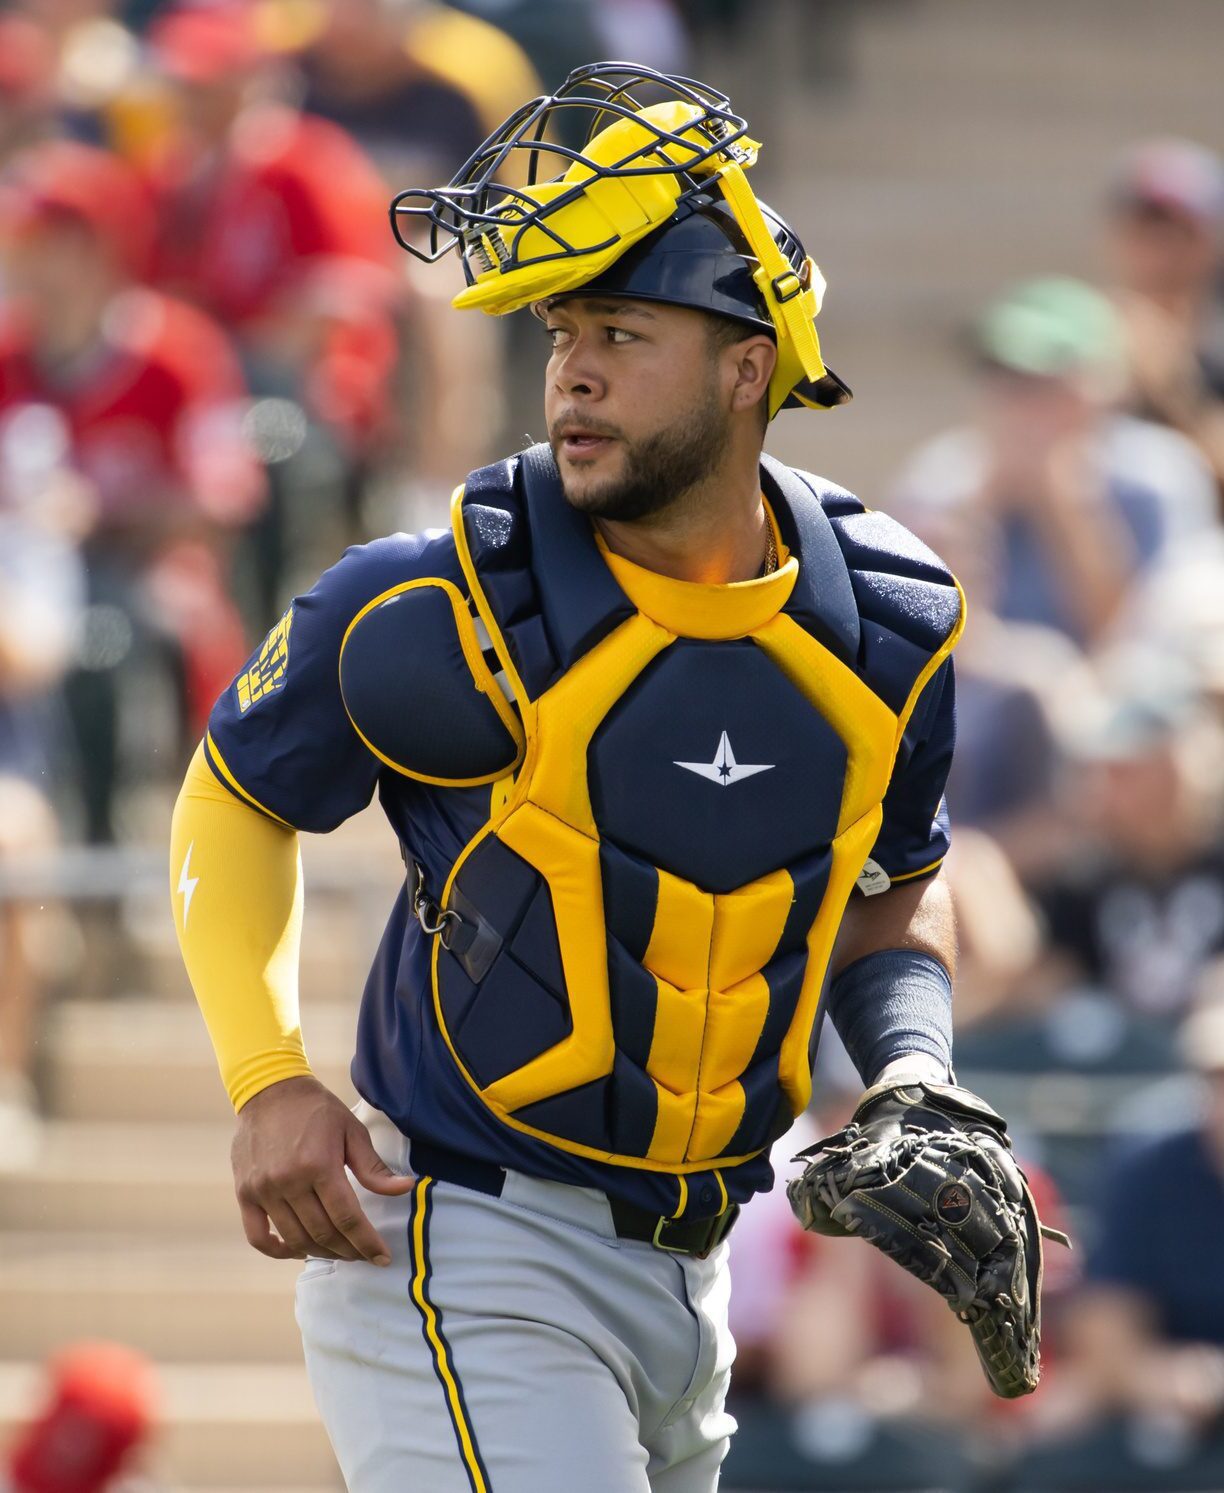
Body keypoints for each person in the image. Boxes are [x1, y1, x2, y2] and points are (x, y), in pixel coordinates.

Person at [171, 64, 988, 1490]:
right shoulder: (434, 605)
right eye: (562, 333)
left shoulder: (887, 624)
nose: (574, 371)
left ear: (750, 366)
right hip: (471, 1244)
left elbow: (894, 889)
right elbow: (236, 794)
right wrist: (262, 1075)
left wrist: (915, 1071)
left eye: (623, 329)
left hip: (701, 1278)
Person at [889, 276, 1217, 649]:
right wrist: (980, 509)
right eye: (1000, 374)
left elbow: (1143, 647)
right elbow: (913, 633)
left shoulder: (1159, 471)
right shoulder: (941, 474)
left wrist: (1064, 504)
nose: (1016, 400)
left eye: (1039, 379)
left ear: (1102, 386)